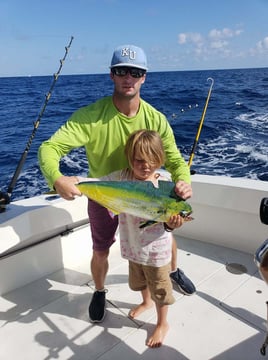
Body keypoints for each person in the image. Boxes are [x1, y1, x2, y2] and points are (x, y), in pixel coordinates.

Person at [38, 44, 195, 324]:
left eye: (135, 72)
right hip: (104, 194)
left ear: (144, 77)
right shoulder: (91, 116)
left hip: (145, 193)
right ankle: (99, 291)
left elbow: (175, 160)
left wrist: (183, 181)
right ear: (111, 75)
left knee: (165, 233)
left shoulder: (156, 118)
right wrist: (57, 178)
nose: (128, 77)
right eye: (122, 71)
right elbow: (49, 148)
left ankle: (172, 271)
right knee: (100, 249)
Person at [78, 129, 189, 347]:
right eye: (139, 160)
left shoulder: (166, 185)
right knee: (139, 282)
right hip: (132, 245)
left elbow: (168, 222)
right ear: (130, 158)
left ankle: (162, 323)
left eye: (152, 160)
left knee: (160, 289)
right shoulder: (122, 177)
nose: (145, 165)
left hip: (156, 251)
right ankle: (146, 302)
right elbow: (99, 184)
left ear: (160, 159)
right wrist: (76, 182)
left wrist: (173, 222)